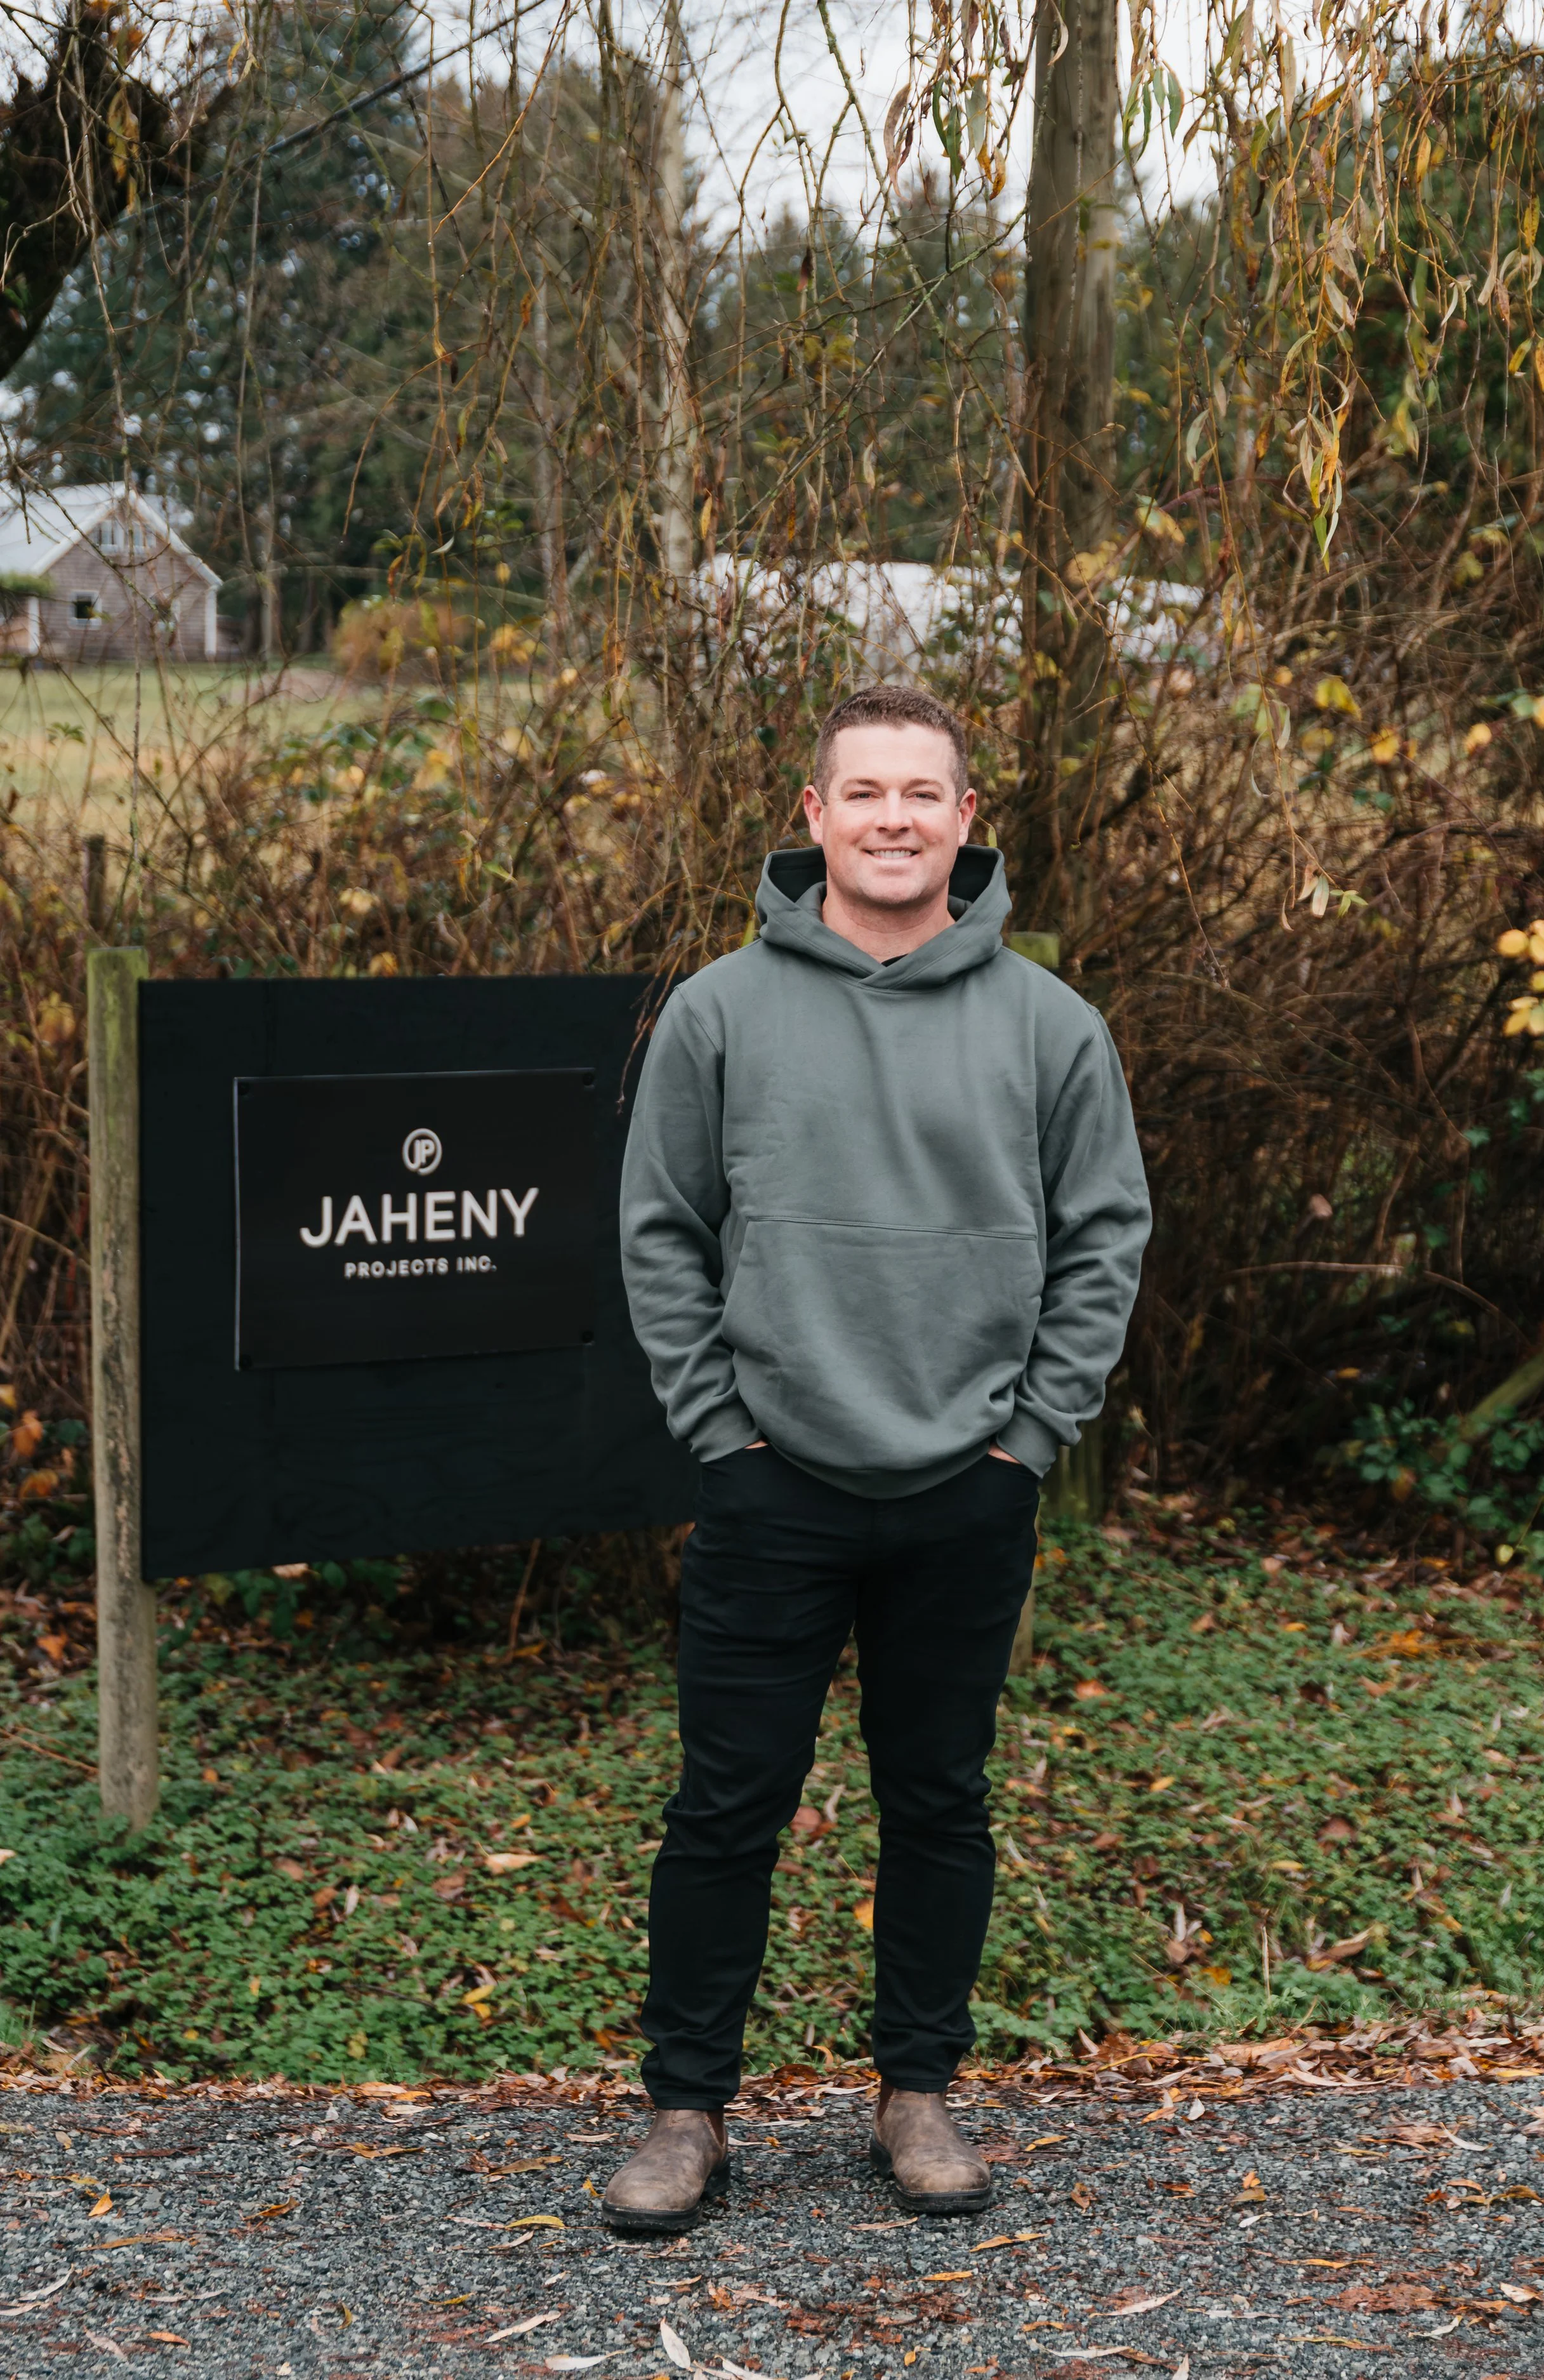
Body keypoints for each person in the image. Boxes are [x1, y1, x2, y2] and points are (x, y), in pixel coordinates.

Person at [607, 684, 1151, 2231]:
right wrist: (719, 1425)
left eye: (925, 793)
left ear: (966, 821)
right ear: (814, 816)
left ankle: (915, 2094)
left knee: (936, 1799)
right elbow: (659, 1232)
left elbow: (1105, 1238)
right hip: (772, 1474)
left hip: (966, 1483)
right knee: (726, 1803)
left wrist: (1028, 1434)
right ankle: (684, 2111)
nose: (894, 818)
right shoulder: (718, 1011)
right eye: (866, 794)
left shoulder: (1051, 1027)